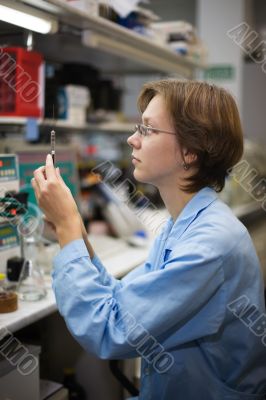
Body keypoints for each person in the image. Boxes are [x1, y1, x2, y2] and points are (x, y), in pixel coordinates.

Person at [32, 79, 266, 400]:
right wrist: (73, 232)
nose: (132, 139)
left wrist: (68, 224)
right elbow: (122, 301)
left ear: (190, 151)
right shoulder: (182, 225)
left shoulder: (211, 243)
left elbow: (111, 330)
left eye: (147, 130)